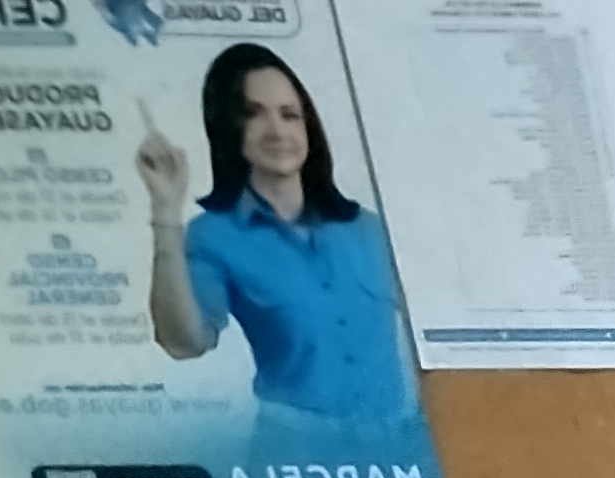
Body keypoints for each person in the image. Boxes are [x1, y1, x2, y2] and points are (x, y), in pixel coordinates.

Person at [136, 46, 423, 448]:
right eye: (253, 114)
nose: (277, 131)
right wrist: (165, 213)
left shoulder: (367, 228)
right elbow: (183, 343)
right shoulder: (214, 235)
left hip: (397, 452)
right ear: (228, 128)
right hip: (295, 452)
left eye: (290, 114)